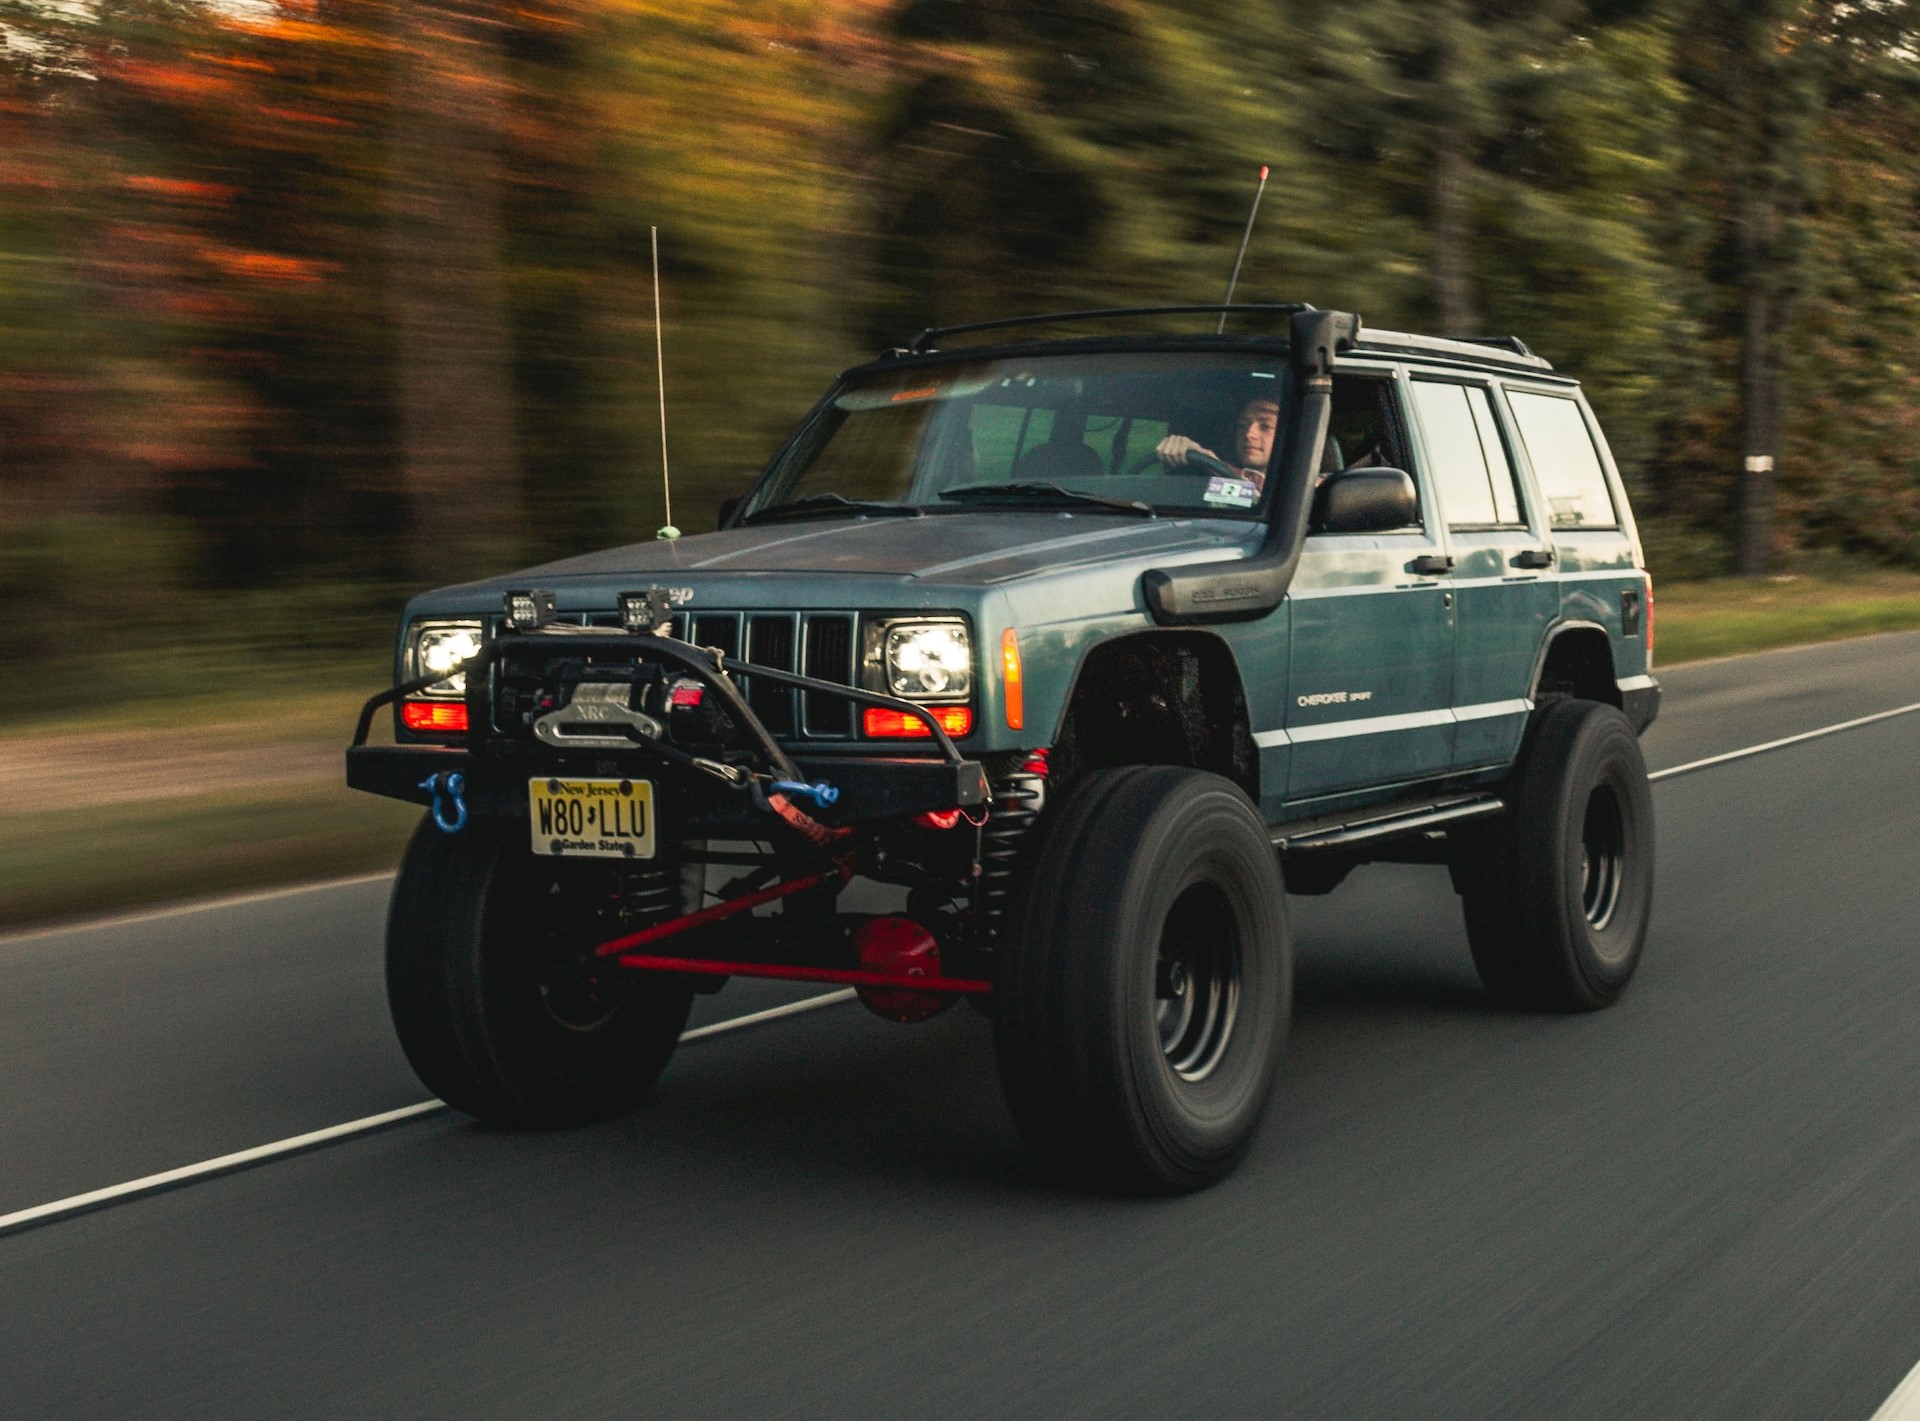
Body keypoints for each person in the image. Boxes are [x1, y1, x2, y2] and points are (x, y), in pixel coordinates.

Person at [1154, 395, 1280, 491]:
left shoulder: (1295, 489)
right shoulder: (1207, 478)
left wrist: (1218, 469)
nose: (1248, 434)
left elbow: (1259, 503)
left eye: (1265, 426)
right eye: (1242, 426)